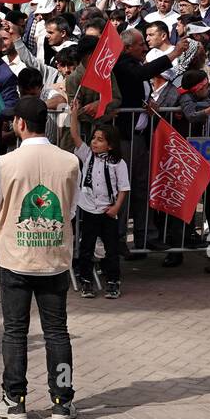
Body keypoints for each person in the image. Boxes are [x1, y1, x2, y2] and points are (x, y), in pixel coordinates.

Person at [0, 96, 80, 419]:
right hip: (54, 257)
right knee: (57, 331)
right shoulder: (70, 161)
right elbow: (69, 209)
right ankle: (62, 402)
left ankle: (14, 401)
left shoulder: (5, 163)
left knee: (15, 331)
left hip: (15, 258)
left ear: (20, 123)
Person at [66, 100, 129, 300]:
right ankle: (86, 280)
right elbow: (75, 136)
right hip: (88, 209)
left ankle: (112, 280)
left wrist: (116, 207)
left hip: (107, 210)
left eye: (100, 140)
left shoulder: (118, 163)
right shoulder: (87, 155)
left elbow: (123, 188)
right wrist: (74, 114)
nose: (94, 142)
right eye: (94, 138)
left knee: (111, 248)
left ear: (110, 144)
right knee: (86, 247)